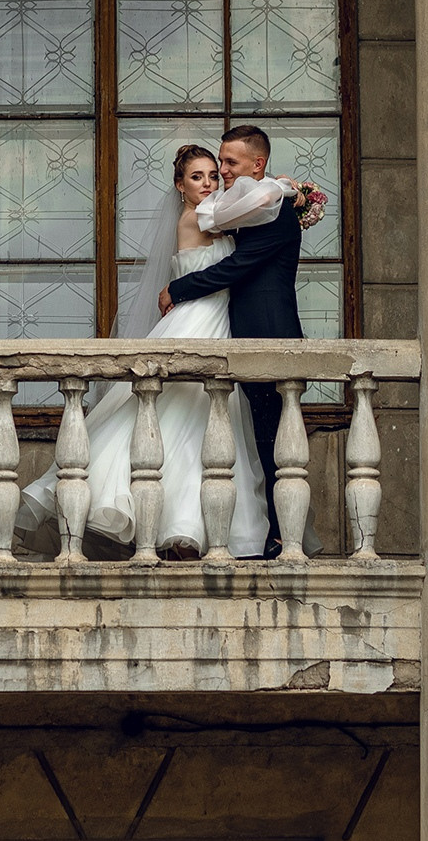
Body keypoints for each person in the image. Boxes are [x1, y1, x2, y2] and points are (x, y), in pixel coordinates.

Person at [14, 144, 276, 560]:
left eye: (213, 175)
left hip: (219, 324)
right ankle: (178, 526)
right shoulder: (200, 217)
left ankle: (197, 527)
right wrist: (286, 189)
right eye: (197, 177)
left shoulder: (219, 214)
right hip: (196, 324)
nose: (208, 183)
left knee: (206, 424)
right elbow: (254, 208)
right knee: (184, 419)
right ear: (179, 185)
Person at [159, 125, 303, 557]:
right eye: (217, 164)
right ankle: (264, 532)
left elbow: (236, 266)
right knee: (250, 439)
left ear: (257, 165)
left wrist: (178, 289)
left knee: (274, 441)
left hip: (270, 335)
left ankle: (280, 536)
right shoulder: (242, 208)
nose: (221, 172)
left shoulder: (275, 209)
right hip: (235, 335)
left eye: (229, 163)